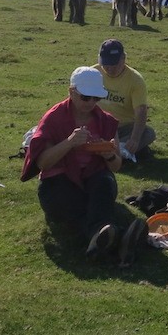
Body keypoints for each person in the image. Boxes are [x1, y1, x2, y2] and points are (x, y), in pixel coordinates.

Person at [21, 66, 148, 265]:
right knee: (67, 198)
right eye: (86, 98)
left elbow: (115, 166)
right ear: (72, 92)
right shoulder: (54, 118)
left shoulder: (105, 121)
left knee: (104, 183)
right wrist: (69, 143)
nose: (91, 103)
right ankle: (117, 237)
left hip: (93, 178)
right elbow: (42, 162)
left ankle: (102, 238)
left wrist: (109, 155)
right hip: (59, 181)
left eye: (96, 98)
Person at [94, 38, 156, 159]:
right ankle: (121, 152)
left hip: (123, 127)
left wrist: (135, 138)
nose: (109, 68)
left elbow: (141, 111)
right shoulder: (93, 73)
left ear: (124, 58)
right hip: (98, 123)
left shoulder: (135, 80)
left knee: (148, 133)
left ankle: (117, 150)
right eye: (105, 64)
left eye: (114, 64)